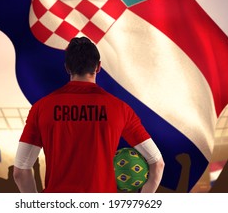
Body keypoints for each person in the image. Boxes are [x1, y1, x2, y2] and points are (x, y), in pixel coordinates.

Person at [13, 37, 164, 193]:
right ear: (98, 67)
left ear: (67, 68)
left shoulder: (41, 108)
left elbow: (20, 171)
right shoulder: (121, 109)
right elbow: (157, 164)